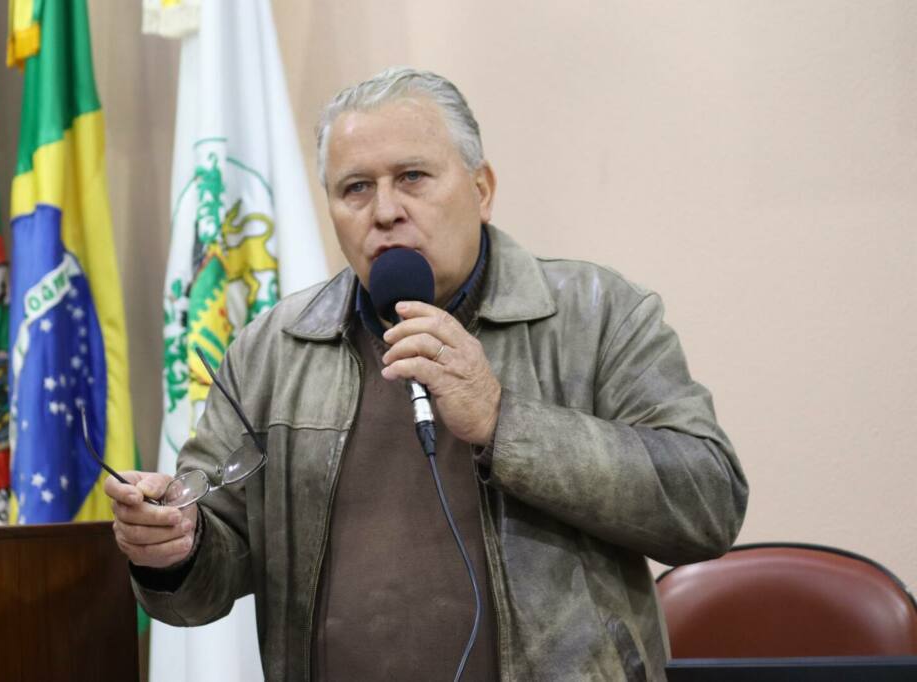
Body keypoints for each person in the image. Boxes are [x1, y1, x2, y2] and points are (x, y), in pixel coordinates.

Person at [107, 67, 748, 681]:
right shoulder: (272, 350)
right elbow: (205, 578)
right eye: (356, 188)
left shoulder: (597, 313)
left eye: (412, 177)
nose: (385, 210)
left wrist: (503, 421)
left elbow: (708, 502)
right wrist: (175, 547)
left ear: (481, 189)